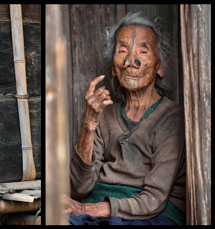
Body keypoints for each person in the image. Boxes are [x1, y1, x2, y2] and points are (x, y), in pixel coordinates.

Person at [66, 12, 185, 225]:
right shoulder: (106, 114)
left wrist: (86, 208)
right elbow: (80, 187)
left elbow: (154, 200)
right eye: (122, 50)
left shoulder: (172, 118)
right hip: (100, 207)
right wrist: (88, 125)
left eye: (143, 50)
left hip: (151, 215)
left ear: (161, 66)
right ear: (113, 66)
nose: (131, 61)